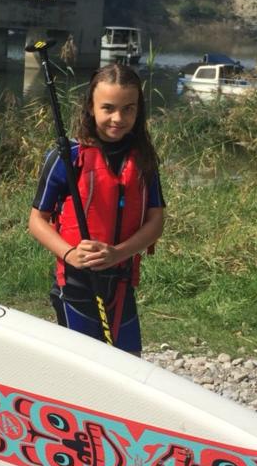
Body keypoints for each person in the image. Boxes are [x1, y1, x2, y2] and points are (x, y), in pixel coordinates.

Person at [28, 62, 165, 355]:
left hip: (122, 281)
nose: (118, 118)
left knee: (128, 363)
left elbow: (156, 220)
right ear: (90, 107)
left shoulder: (143, 159)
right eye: (108, 108)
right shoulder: (67, 157)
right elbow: (37, 220)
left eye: (129, 108)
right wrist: (69, 253)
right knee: (84, 366)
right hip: (76, 284)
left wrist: (119, 252)